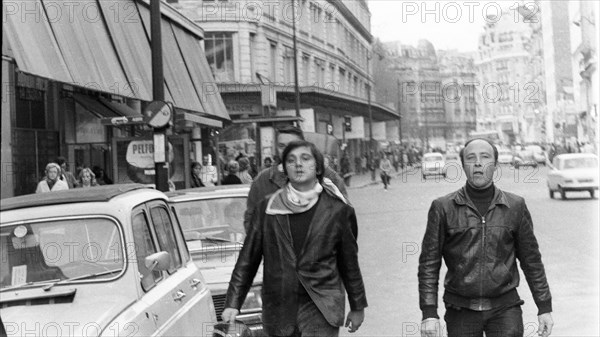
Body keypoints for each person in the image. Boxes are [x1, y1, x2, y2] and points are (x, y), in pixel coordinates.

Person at [222, 140, 367, 336]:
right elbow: (248, 259)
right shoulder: (268, 208)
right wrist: (233, 303)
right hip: (279, 307)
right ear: (285, 170)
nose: (298, 164)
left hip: (321, 306)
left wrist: (357, 306)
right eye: (291, 160)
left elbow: (348, 262)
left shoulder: (338, 210)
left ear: (317, 167)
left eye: (305, 158)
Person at [418, 138, 554, 337]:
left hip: (505, 309)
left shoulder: (515, 206)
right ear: (463, 165)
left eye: (485, 157)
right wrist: (429, 313)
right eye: (471, 158)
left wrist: (544, 307)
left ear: (496, 164)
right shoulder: (443, 208)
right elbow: (429, 263)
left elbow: (531, 260)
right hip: (460, 310)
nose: (478, 163)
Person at [244, 126, 347, 232]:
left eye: (292, 145)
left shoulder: (326, 175)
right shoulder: (263, 181)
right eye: (281, 146)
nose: (286, 150)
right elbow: (251, 220)